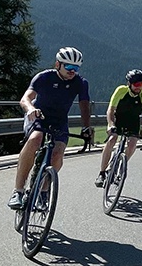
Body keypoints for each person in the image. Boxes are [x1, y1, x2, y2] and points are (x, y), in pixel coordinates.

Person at [8, 47, 93, 210]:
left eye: (76, 68)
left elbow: (84, 106)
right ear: (57, 64)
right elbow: (25, 98)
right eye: (68, 67)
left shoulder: (80, 83)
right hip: (38, 116)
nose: (72, 71)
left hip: (59, 121)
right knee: (36, 138)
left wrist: (86, 126)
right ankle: (17, 191)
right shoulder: (44, 77)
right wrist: (30, 109)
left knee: (58, 152)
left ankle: (43, 191)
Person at [95, 69, 142, 187]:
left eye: (141, 84)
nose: (139, 87)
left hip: (133, 121)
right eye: (136, 85)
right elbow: (111, 109)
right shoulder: (121, 91)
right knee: (112, 140)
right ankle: (102, 173)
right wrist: (111, 124)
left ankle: (120, 167)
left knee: (132, 145)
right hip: (118, 119)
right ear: (129, 84)